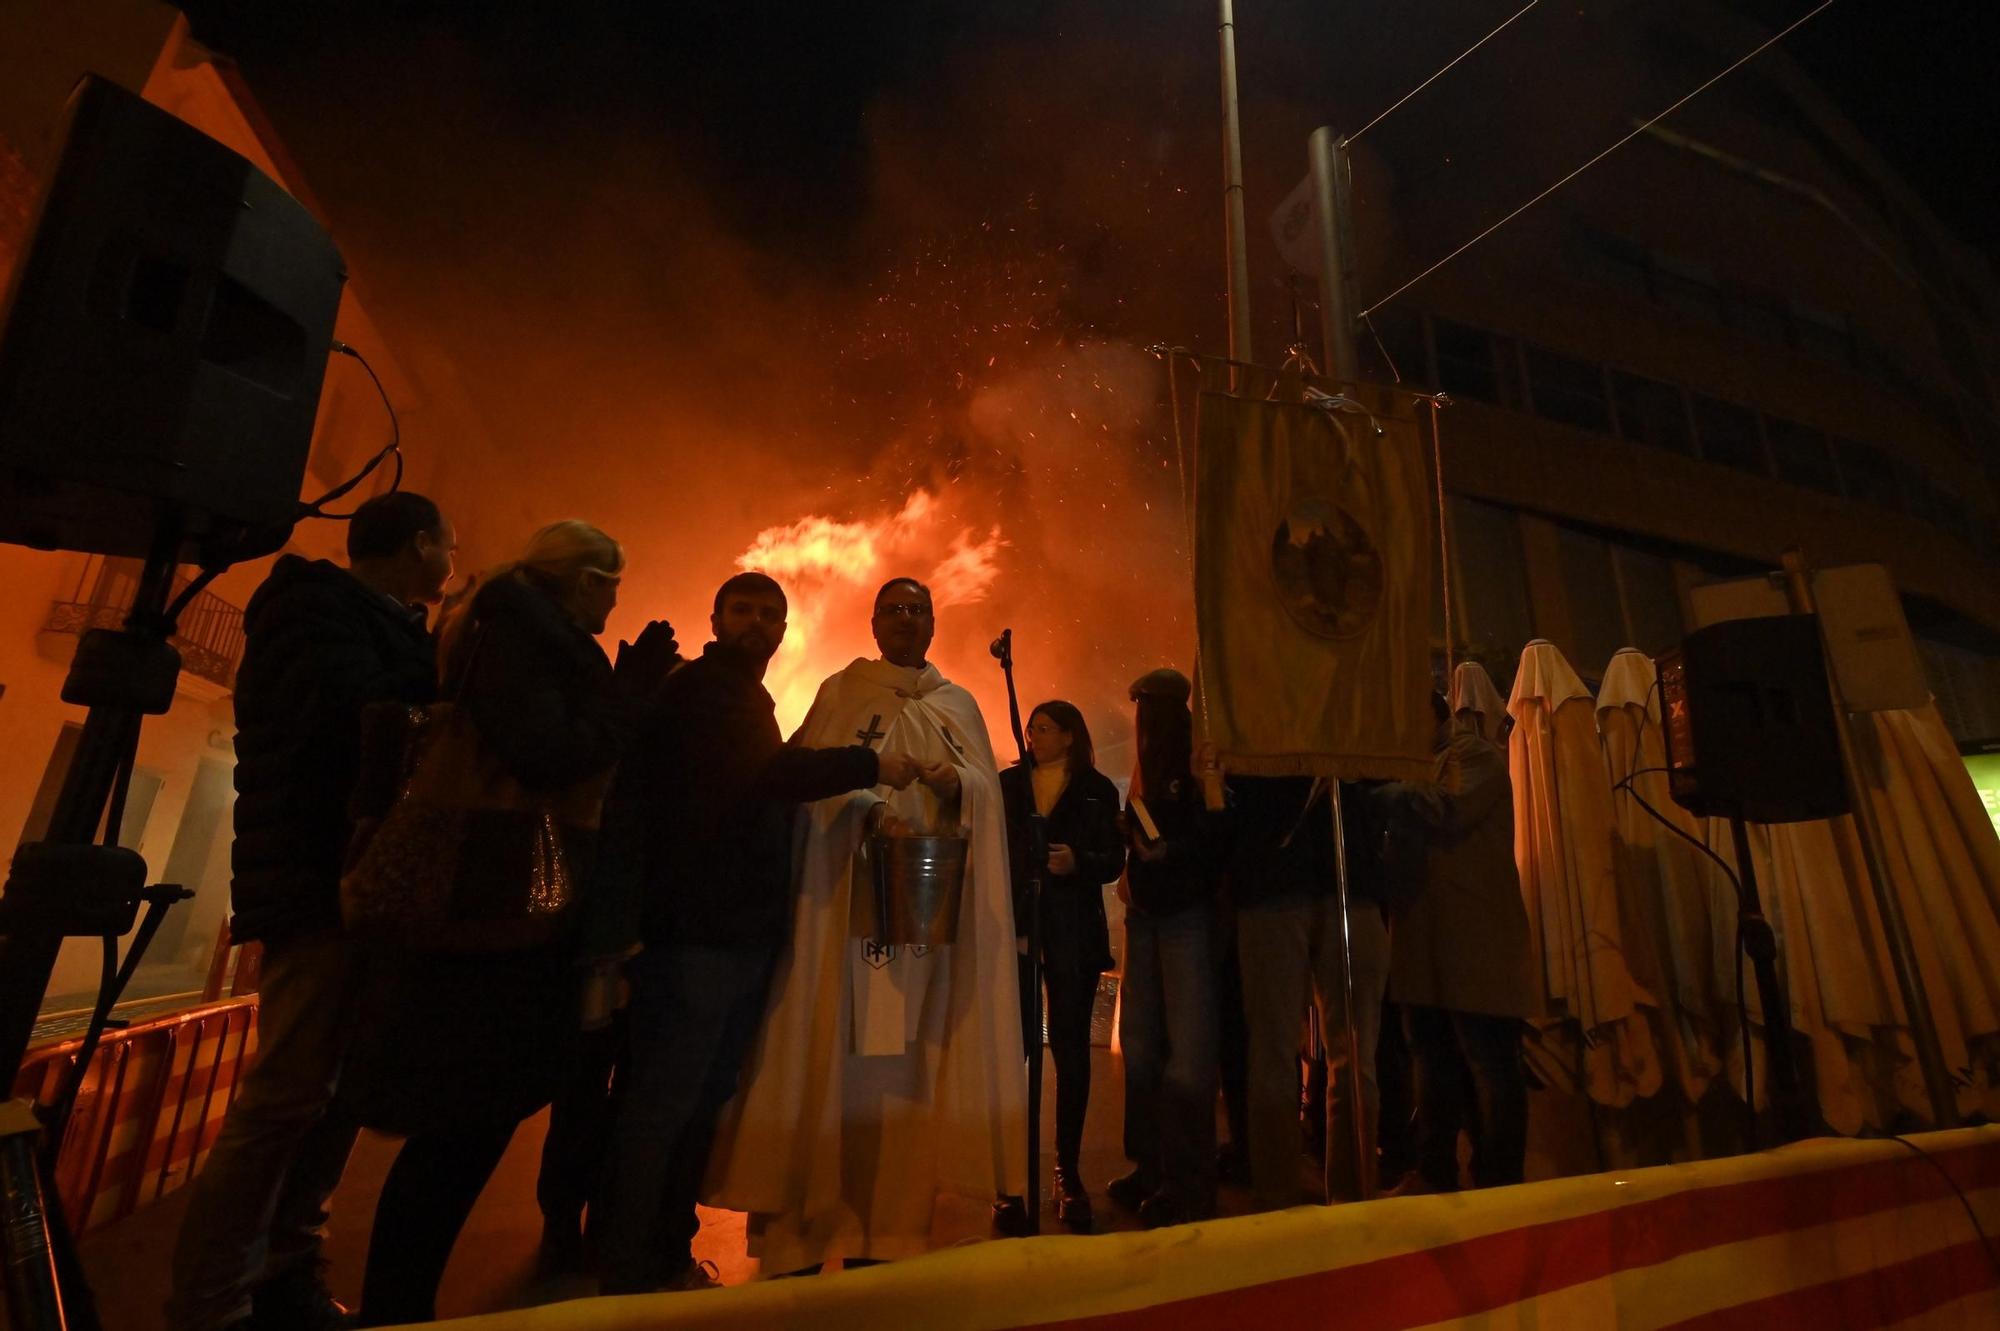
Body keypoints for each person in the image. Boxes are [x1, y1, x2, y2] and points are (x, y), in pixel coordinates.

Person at [345, 520, 672, 1326]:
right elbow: (546, 751)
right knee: (466, 1117)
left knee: (472, 1117)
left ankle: (401, 1303)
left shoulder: (510, 626)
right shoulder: (519, 632)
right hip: (491, 905)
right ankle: (395, 1308)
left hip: (493, 906)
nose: (616, 600)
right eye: (611, 584)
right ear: (582, 580)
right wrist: (625, 700)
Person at [166, 492, 454, 1331]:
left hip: (368, 890)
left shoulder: (383, 623)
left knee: (338, 1096)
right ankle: (207, 1305)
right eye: (447, 545)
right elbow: (348, 712)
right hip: (316, 887)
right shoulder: (308, 608)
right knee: (285, 1097)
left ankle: (286, 1270)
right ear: (416, 545)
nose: (451, 561)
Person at [592, 572, 923, 1293]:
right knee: (663, 1103)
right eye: (743, 609)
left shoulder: (743, 694)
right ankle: (624, 1268)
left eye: (770, 614)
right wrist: (871, 765)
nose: (757, 623)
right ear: (715, 617)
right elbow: (770, 776)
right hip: (696, 935)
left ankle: (659, 1251)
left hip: (734, 934)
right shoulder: (707, 690)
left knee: (695, 1098)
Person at [704, 577, 1025, 1272]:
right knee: (833, 1052)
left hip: (918, 919)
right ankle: (808, 1220)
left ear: (933, 624)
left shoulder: (958, 705)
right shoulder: (841, 693)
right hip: (842, 913)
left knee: (904, 1063)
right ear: (874, 623)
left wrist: (957, 786)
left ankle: (892, 1223)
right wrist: (862, 797)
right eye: (894, 610)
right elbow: (797, 789)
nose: (907, 621)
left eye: (918, 610)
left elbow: (987, 803)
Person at [1375, 692, 1536, 1193]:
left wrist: (1375, 791)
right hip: (1425, 945)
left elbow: (1446, 808)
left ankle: (1500, 1181)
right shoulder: (1421, 763)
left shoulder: (1473, 753)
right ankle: (1433, 1171)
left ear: (1434, 713)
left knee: (1489, 1063)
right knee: (1432, 1059)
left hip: (1475, 944)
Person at [1228, 771, 1392, 1208]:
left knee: (1285, 1054)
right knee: (1344, 1055)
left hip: (1289, 876)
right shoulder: (1358, 707)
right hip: (1330, 877)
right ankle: (1341, 1195)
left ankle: (1287, 1199)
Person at [997, 700, 1123, 1233]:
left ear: (1070, 736)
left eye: (1045, 729)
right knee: (1015, 1053)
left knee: (1072, 1054)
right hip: (1021, 931)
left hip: (1072, 935)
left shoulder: (1096, 789)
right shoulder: (1009, 785)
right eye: (1031, 728)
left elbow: (1113, 859)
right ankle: (1009, 1178)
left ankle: (1066, 1170)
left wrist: (1079, 863)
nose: (1034, 736)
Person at [1107, 668, 1221, 1229]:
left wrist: (1169, 852)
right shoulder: (1143, 767)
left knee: (1190, 1051)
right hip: (1145, 916)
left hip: (1185, 918)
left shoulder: (1200, 762)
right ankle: (1151, 1168)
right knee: (1141, 1044)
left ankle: (1188, 1178)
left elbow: (1214, 837)